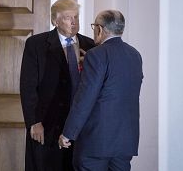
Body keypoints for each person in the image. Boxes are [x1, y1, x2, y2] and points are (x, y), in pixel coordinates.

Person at [58, 10, 144, 171]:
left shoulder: (96, 55)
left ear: (100, 29)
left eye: (94, 27)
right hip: (125, 141)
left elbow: (85, 98)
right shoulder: (135, 55)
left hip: (96, 142)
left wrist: (68, 133)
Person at [20, 0, 95, 171]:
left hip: (80, 126)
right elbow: (28, 86)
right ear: (55, 20)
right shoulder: (37, 44)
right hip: (46, 125)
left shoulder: (90, 45)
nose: (74, 22)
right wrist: (34, 121)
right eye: (69, 18)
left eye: (76, 17)